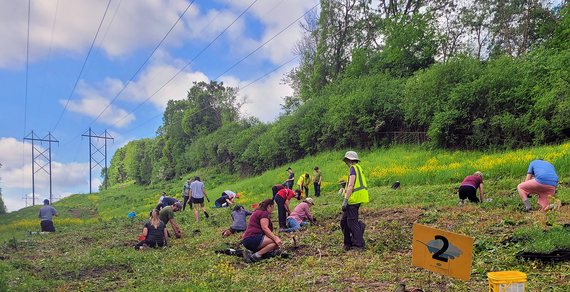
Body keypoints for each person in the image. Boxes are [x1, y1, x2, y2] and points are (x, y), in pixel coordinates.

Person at [341, 151, 369, 252]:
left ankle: (358, 245)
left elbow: (351, 185)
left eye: (346, 161)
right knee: (344, 222)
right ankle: (348, 243)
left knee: (352, 222)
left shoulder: (353, 168)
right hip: (355, 199)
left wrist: (345, 200)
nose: (345, 163)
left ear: (349, 160)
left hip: (353, 199)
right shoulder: (358, 168)